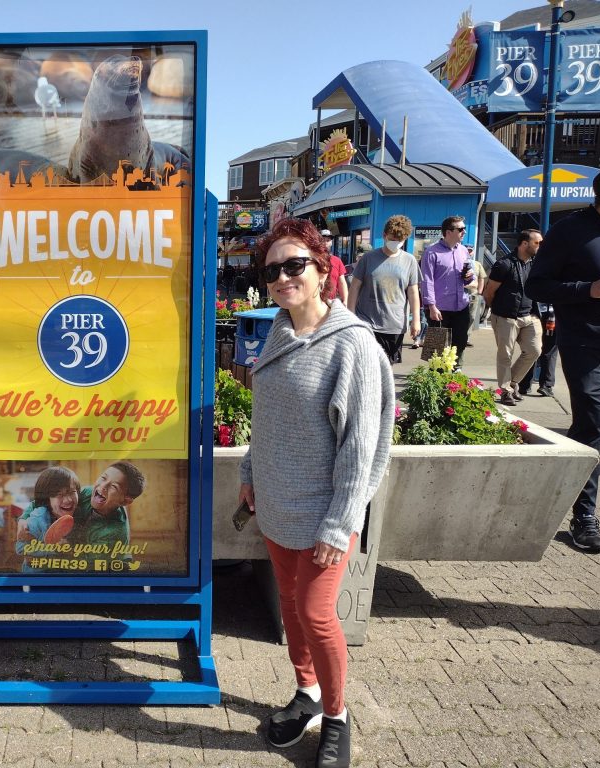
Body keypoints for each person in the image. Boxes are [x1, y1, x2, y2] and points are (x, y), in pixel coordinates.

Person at [239, 218, 394, 768]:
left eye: (294, 265)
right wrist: (250, 473)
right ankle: (305, 691)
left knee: (316, 613)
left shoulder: (351, 344)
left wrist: (339, 523)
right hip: (277, 504)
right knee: (289, 605)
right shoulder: (279, 332)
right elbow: (266, 418)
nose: (282, 278)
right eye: (272, 270)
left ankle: (336, 715)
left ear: (323, 269)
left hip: (325, 512)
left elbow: (361, 446)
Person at [527, 164, 600, 554]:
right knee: (592, 421)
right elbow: (536, 284)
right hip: (585, 343)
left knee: (589, 429)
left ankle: (562, 475)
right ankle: (584, 517)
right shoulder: (570, 231)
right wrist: (589, 289)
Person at [346, 214, 420, 364]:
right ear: (384, 235)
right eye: (392, 239)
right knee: (366, 364)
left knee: (387, 366)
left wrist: (416, 320)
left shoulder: (409, 260)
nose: (395, 243)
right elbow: (354, 287)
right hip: (367, 321)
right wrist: (350, 314)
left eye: (400, 240)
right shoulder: (368, 258)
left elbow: (413, 292)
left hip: (394, 324)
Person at [483, 229, 542, 406]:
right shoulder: (504, 265)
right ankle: (505, 391)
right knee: (505, 355)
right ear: (524, 244)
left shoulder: (535, 264)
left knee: (534, 350)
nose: (540, 246)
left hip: (529, 316)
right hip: (505, 317)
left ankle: (512, 383)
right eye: (537, 243)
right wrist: (497, 311)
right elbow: (489, 293)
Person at [421, 216, 475, 368]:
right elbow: (426, 280)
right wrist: (431, 306)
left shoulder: (463, 251)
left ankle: (455, 374)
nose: (464, 232)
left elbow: (470, 277)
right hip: (439, 308)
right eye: (461, 229)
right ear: (448, 232)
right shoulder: (431, 252)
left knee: (460, 343)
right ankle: (435, 376)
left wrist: (469, 276)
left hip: (461, 306)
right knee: (436, 348)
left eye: (464, 228)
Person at [72, 461, 145, 561]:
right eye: (103, 478)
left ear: (125, 501)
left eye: (114, 486)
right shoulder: (88, 492)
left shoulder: (114, 534)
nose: (102, 486)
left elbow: (88, 565)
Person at [15, 466, 82, 570]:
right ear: (47, 499)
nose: (68, 500)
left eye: (72, 492)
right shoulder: (37, 519)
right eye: (59, 495)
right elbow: (20, 548)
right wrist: (52, 550)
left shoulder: (80, 512)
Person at [517, 301, 558, 398]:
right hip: (551, 314)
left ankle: (524, 384)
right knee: (549, 351)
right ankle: (546, 385)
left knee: (532, 350)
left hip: (535, 313)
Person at [320, 229, 348, 304]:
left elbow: (342, 282)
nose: (325, 243)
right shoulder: (312, 259)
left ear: (331, 243)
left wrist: (345, 300)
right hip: (315, 302)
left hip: (332, 302)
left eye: (328, 240)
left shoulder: (337, 261)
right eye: (322, 240)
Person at [467, 252, 487, 339]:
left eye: (470, 250)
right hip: (461, 293)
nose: (469, 252)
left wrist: (479, 292)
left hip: (473, 294)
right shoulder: (458, 262)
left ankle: (467, 337)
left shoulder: (477, 264)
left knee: (471, 316)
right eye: (467, 250)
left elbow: (481, 278)